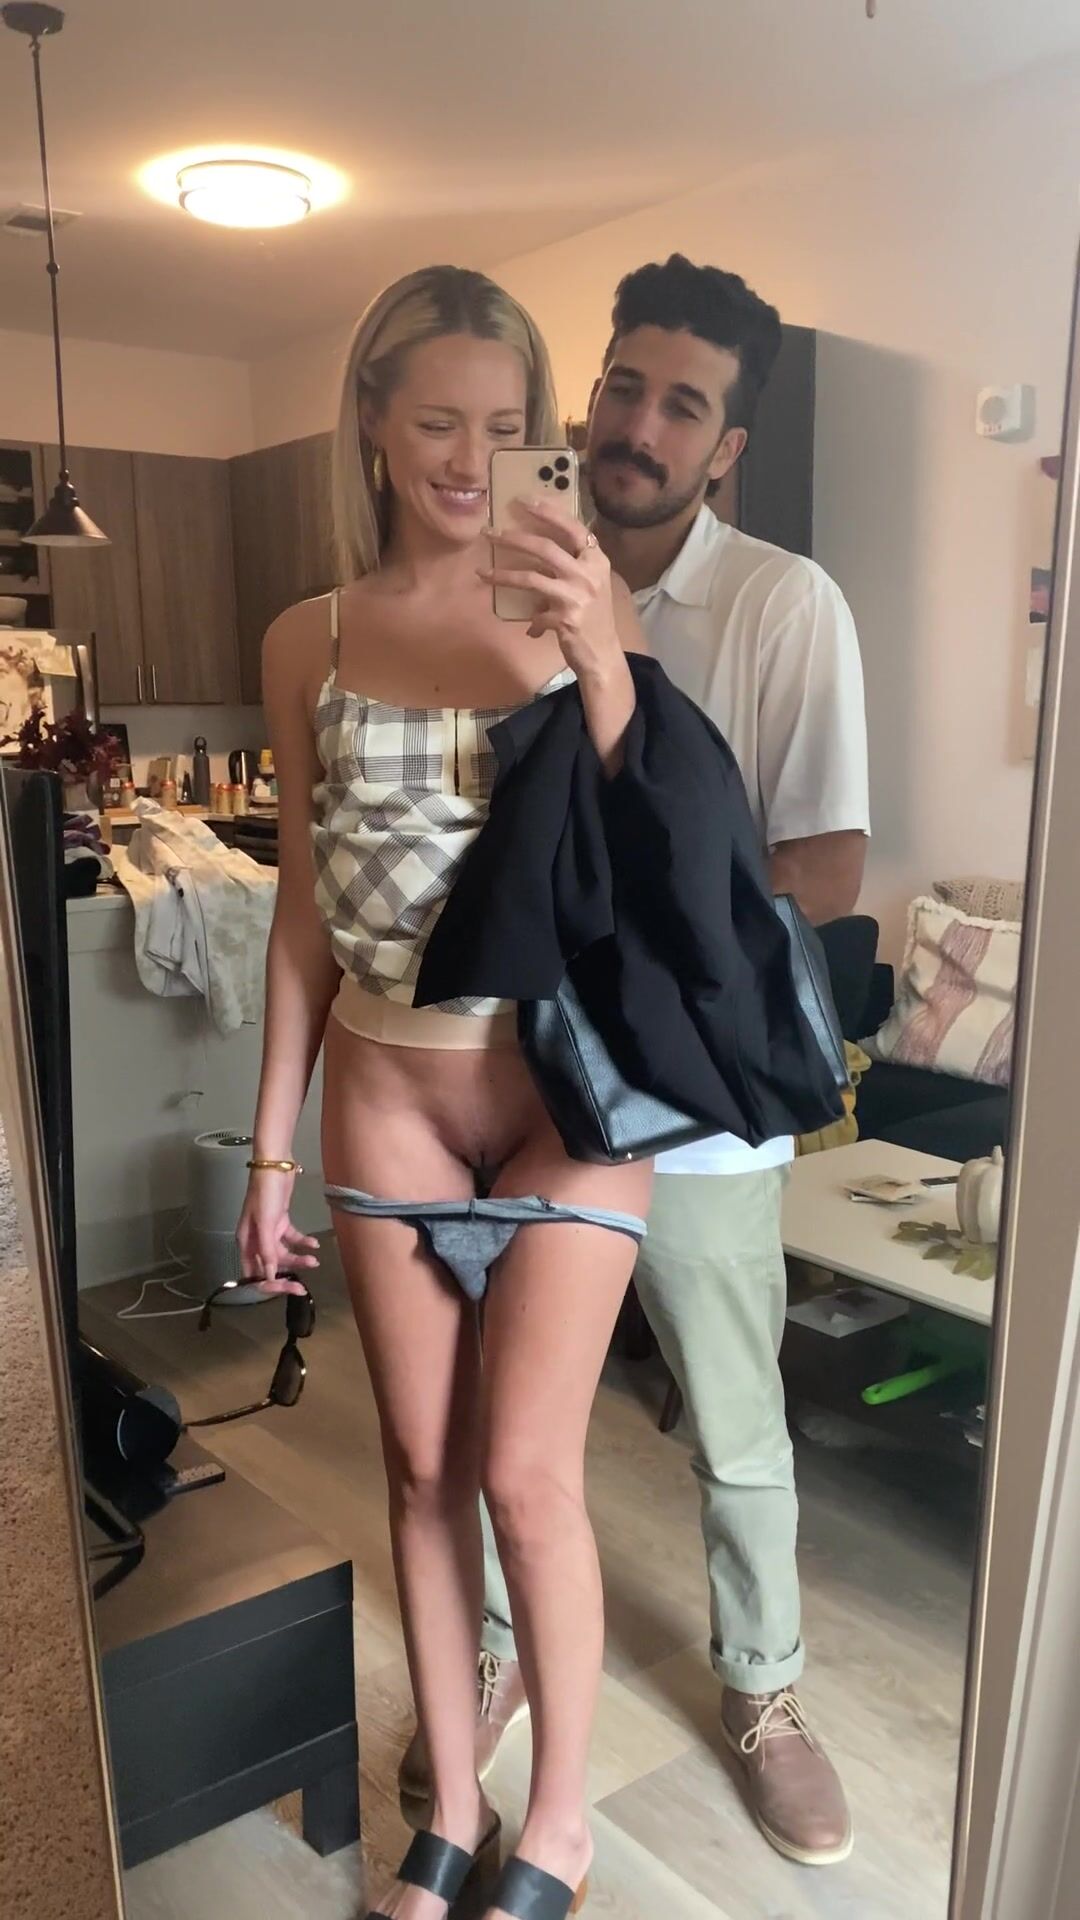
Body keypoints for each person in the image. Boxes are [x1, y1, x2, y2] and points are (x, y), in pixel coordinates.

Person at [400, 256, 869, 1870]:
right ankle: (495, 1649)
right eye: (622, 385)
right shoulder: (494, 562)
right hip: (510, 1085)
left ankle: (765, 1685)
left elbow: (830, 868)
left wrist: (648, 910)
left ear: (727, 445)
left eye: (685, 405)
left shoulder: (784, 605)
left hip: (693, 1103)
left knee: (735, 1415)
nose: (638, 425)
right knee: (490, 1411)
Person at [237, 264, 655, 1920]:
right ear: (370, 425)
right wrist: (265, 1153)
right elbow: (302, 905)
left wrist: (599, 651)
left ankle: (562, 1825)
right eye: (436, 424)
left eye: (508, 426)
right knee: (420, 1469)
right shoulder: (311, 637)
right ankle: (458, 1808)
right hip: (387, 1094)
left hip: (566, 1091)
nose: (473, 461)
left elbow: (654, 846)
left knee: (530, 1476)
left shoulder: (581, 607)